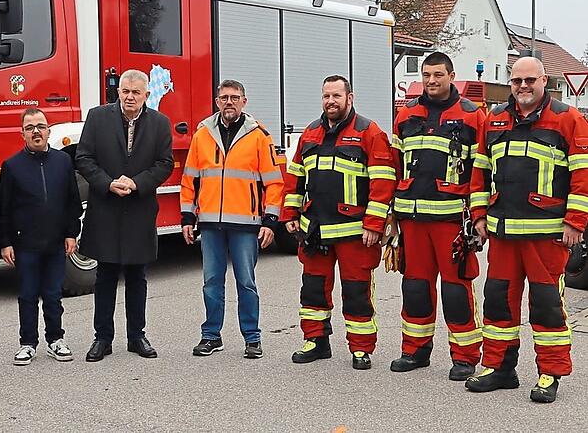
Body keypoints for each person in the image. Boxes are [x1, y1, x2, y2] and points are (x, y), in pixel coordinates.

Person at [465, 56, 588, 403]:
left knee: (546, 306)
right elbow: (480, 170)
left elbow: (582, 175)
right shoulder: (495, 119)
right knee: (498, 303)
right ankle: (499, 368)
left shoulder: (568, 119)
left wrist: (575, 221)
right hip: (503, 234)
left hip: (546, 235)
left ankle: (550, 373)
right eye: (517, 80)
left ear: (544, 81)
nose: (523, 86)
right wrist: (479, 215)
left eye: (530, 80)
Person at [282, 75, 396, 370]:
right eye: (326, 96)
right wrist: (290, 213)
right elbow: (295, 177)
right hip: (315, 229)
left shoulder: (369, 132)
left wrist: (374, 223)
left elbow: (383, 182)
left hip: (354, 231)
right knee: (313, 289)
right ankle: (315, 341)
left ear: (350, 98)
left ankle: (361, 348)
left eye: (336, 96)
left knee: (357, 292)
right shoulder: (310, 133)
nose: (330, 101)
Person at [388, 52, 486, 381]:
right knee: (415, 287)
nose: (431, 81)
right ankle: (415, 350)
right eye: (427, 75)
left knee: (456, 291)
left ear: (451, 76)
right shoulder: (406, 115)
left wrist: (478, 215)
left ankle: (465, 357)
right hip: (412, 220)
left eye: (438, 75)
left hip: (452, 222)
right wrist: (390, 213)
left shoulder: (472, 115)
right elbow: (394, 165)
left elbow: (480, 171)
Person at [76, 69, 174, 362]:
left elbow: (164, 164)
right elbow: (83, 158)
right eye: (125, 91)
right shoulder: (97, 117)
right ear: (118, 92)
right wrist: (107, 183)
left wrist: (137, 183)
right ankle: (102, 339)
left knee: (136, 276)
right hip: (105, 206)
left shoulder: (160, 123)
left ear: (147, 95)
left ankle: (137, 336)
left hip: (139, 208)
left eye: (136, 92)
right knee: (105, 275)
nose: (130, 97)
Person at [180, 79, 283, 359]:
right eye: (224, 97)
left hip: (246, 224)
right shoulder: (202, 134)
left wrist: (270, 221)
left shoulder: (259, 136)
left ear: (244, 102)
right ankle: (211, 336)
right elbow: (189, 179)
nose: (229, 102)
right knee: (211, 282)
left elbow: (274, 182)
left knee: (246, 283)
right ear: (217, 102)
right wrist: (187, 217)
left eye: (235, 98)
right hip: (210, 223)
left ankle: (252, 338)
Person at [0, 108, 83, 365]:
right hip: (25, 244)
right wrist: (6, 242)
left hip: (56, 242)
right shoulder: (12, 166)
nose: (36, 132)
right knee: (27, 295)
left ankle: (56, 339)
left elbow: (73, 201)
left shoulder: (63, 161)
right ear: (22, 133)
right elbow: (4, 208)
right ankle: (27, 343)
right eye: (30, 128)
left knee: (53, 294)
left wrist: (71, 233)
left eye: (41, 126)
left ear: (48, 131)